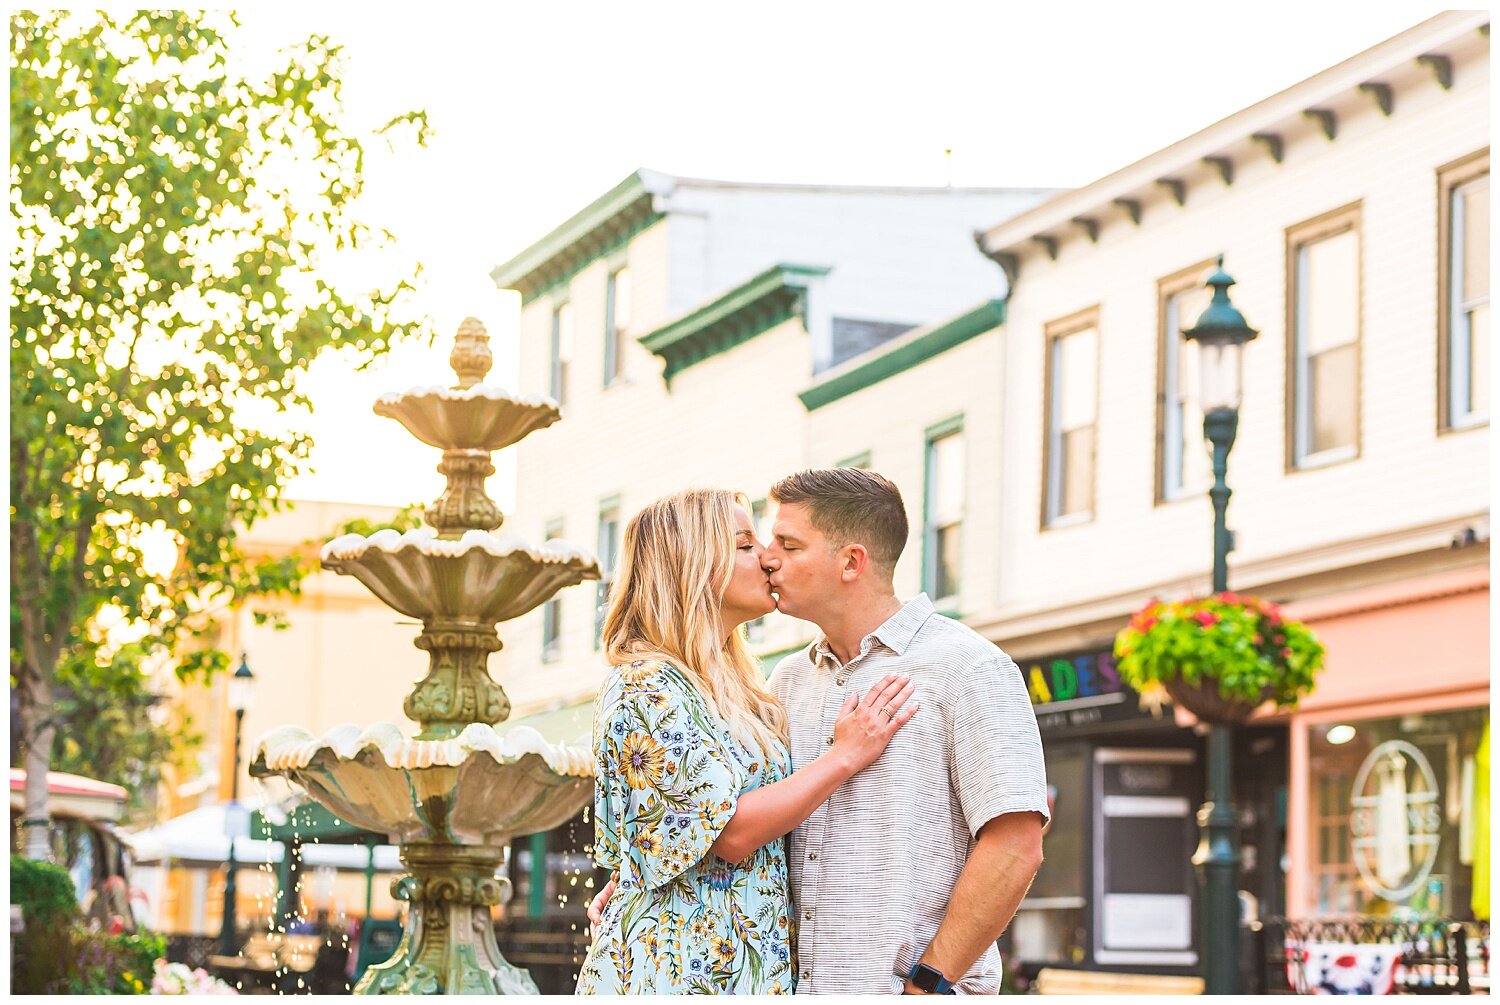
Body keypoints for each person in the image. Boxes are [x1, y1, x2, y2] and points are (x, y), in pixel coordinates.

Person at [591, 468, 1049, 994]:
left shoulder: (968, 667)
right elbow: (721, 818)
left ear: (851, 561)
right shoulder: (784, 683)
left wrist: (931, 982)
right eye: (758, 544)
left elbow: (1016, 845)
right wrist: (645, 879)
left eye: (786, 544)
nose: (768, 557)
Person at [575, 487, 918, 995]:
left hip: (739, 971)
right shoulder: (645, 684)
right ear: (693, 567)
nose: (768, 557)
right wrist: (844, 755)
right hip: (677, 973)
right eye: (744, 544)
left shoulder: (740, 690)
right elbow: (729, 833)